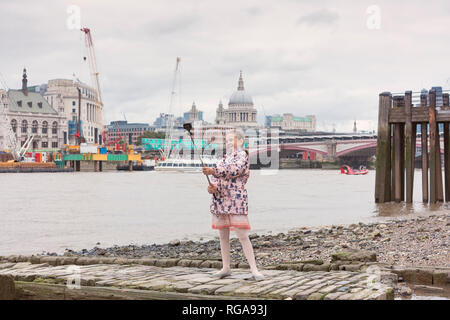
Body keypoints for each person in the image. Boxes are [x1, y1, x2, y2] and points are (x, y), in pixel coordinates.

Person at [202, 129, 264, 281]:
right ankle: (226, 267)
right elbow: (217, 180)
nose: (229, 143)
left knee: (242, 235)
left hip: (236, 200)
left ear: (241, 141)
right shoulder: (223, 159)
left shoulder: (243, 156)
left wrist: (213, 171)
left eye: (232, 140)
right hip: (221, 200)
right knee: (223, 235)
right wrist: (212, 187)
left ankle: (254, 270)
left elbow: (233, 171)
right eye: (227, 141)